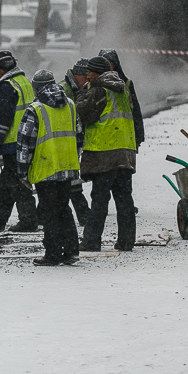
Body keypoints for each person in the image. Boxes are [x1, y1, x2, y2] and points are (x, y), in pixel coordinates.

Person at [17, 70, 83, 266]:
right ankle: (71, 250)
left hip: (45, 167)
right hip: (67, 166)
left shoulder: (35, 109)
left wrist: (23, 172)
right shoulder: (70, 105)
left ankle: (53, 253)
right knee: (63, 207)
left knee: (48, 211)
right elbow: (79, 136)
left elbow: (25, 144)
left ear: (36, 88)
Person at [77, 56, 137, 252]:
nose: (87, 74)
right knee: (124, 198)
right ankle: (126, 241)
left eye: (90, 71)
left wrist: (81, 97)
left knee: (100, 200)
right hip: (124, 151)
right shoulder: (122, 88)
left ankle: (91, 241)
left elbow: (84, 114)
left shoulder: (98, 91)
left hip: (105, 152)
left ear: (98, 73)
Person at [0, 50, 39, 232]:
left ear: (2, 68)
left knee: (18, 182)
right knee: (7, 180)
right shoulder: (24, 82)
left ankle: (28, 219)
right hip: (26, 140)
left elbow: (3, 120)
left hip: (14, 143)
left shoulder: (7, 86)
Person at [60, 58, 91, 225]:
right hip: (63, 141)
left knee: (67, 178)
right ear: (77, 75)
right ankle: (83, 213)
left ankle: (43, 213)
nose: (87, 81)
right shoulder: (64, 90)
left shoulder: (79, 89)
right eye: (85, 77)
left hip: (72, 140)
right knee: (69, 178)